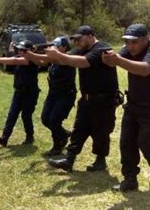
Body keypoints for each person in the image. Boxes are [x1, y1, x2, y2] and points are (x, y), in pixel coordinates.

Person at [23, 25, 119, 172]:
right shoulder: (82, 49)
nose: (77, 43)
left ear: (90, 36)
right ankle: (69, 159)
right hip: (87, 98)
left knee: (100, 132)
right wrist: (33, 56)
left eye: (79, 39)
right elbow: (63, 61)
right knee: (79, 129)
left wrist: (58, 55)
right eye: (75, 40)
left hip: (103, 100)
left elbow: (83, 62)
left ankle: (100, 160)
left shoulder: (101, 49)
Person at [102, 24, 150, 192]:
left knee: (147, 142)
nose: (130, 46)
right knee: (126, 142)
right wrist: (107, 58)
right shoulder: (127, 50)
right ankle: (130, 179)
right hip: (135, 102)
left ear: (145, 39)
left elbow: (145, 70)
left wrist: (118, 60)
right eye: (127, 42)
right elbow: (114, 60)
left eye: (134, 42)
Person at [31, 36, 76, 156]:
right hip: (53, 93)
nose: (54, 48)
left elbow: (56, 60)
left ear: (65, 47)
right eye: (53, 46)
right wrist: (28, 55)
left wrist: (32, 55)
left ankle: (58, 145)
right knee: (45, 119)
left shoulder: (68, 58)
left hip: (66, 94)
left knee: (54, 120)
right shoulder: (53, 59)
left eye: (57, 46)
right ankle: (64, 134)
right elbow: (42, 62)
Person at [0, 40, 41, 147]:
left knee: (26, 116)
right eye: (20, 49)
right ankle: (4, 138)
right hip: (18, 92)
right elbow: (14, 57)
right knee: (12, 115)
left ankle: (29, 136)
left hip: (30, 93)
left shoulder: (31, 60)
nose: (21, 52)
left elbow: (14, 60)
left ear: (30, 51)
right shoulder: (21, 57)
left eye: (23, 50)